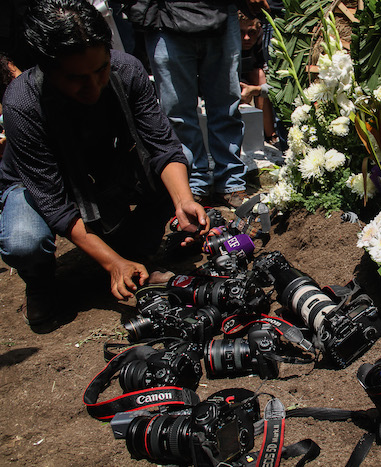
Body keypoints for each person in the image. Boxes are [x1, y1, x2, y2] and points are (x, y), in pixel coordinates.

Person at [0, 0, 211, 332]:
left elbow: (162, 145)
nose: (93, 86)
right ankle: (41, 280)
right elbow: (53, 203)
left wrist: (184, 202)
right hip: (37, 185)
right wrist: (112, 264)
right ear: (47, 68)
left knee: (179, 161)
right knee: (23, 240)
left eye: (101, 70)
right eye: (76, 78)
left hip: (102, 169)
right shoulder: (22, 102)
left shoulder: (127, 71)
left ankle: (134, 253)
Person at [125, 0, 270, 208]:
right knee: (177, 112)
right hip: (166, 15)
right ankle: (193, 183)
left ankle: (230, 182)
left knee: (227, 105)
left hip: (219, 11)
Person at [239, 12, 278, 146]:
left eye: (252, 32)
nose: (246, 38)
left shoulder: (263, 44)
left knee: (260, 75)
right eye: (241, 32)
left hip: (252, 77)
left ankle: (268, 133)